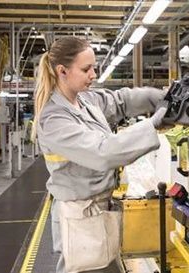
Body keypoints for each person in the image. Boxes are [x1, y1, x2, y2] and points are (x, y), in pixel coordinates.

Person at [31, 36, 168, 273]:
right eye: (86, 69)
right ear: (62, 71)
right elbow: (103, 152)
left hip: (101, 211)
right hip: (80, 218)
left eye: (94, 67)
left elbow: (121, 101)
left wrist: (164, 98)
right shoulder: (53, 119)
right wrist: (152, 125)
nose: (93, 75)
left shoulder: (85, 100)